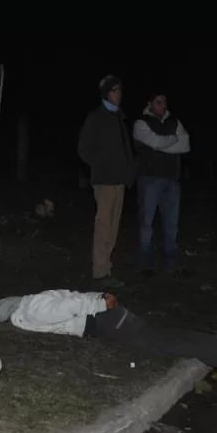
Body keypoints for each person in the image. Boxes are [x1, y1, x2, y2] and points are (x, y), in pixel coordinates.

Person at [0, 290, 217, 375]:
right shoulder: (31, 304)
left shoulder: (32, 310)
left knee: (160, 341)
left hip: (104, 319)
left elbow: (71, 305)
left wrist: (102, 303)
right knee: (160, 338)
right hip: (105, 319)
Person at [77, 75, 135, 288]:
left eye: (120, 90)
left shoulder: (119, 117)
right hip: (104, 181)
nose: (119, 94)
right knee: (104, 226)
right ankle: (100, 271)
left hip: (120, 181)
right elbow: (83, 149)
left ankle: (106, 266)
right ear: (106, 93)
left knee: (114, 227)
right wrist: (101, 165)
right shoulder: (97, 117)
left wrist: (130, 170)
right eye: (115, 90)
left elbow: (125, 148)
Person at [132, 91, 190, 275]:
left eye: (164, 102)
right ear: (150, 104)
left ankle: (171, 263)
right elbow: (155, 142)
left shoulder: (174, 121)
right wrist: (173, 140)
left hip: (172, 179)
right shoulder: (141, 123)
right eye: (158, 102)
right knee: (146, 224)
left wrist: (163, 144)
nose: (162, 105)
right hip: (150, 179)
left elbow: (186, 145)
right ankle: (145, 263)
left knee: (172, 224)